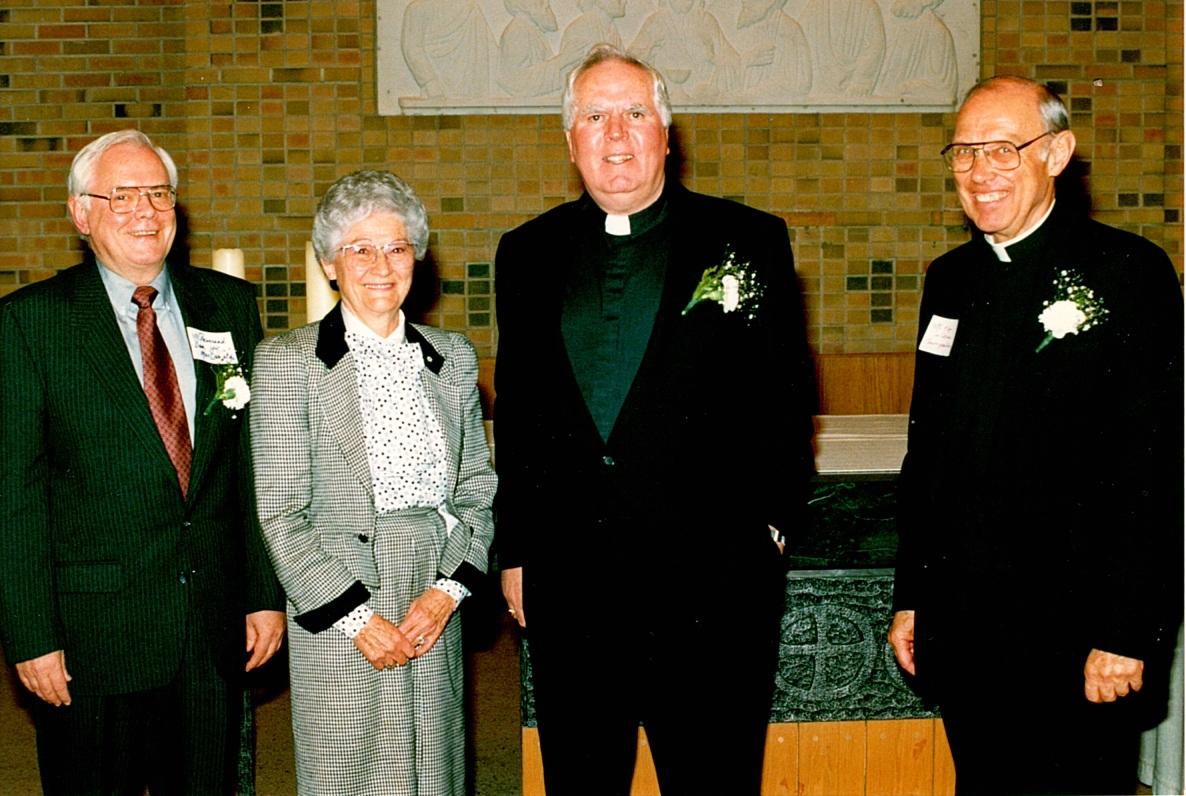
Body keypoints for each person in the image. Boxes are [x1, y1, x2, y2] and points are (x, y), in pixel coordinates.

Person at [494, 44, 816, 795]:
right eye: (594, 116)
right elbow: (519, 413)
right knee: (581, 776)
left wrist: (770, 524)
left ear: (668, 134)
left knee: (711, 777)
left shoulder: (747, 240)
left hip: (712, 582)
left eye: (635, 113)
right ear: (568, 139)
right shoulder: (526, 252)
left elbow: (785, 396)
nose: (615, 133)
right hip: (572, 582)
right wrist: (515, 550)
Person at [888, 76, 1183, 795]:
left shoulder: (1128, 271)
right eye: (963, 153)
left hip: (1078, 636)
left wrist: (1126, 633)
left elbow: (1153, 465)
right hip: (965, 627)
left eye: (1003, 150)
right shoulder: (949, 279)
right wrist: (911, 593)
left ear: (1057, 153)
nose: (979, 172)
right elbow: (927, 453)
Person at [0, 128, 286, 794]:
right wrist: (32, 634)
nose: (145, 211)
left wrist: (262, 595)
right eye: (121, 195)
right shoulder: (31, 323)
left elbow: (248, 466)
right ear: (80, 213)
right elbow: (14, 493)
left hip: (212, 626)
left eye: (158, 193)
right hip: (94, 633)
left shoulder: (229, 307)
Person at [250, 170, 496, 795]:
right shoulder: (287, 361)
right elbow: (280, 513)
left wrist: (447, 592)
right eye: (359, 249)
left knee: (431, 773)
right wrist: (357, 619)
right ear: (331, 263)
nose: (380, 265)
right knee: (347, 773)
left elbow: (476, 489)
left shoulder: (452, 356)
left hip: (430, 592)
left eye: (396, 247)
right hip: (337, 597)